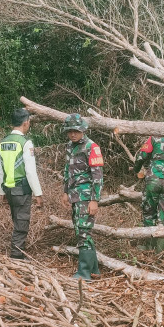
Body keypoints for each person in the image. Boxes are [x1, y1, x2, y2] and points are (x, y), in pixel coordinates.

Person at [60, 113, 104, 280]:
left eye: (76, 131)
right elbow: (67, 171)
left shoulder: (92, 147)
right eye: (70, 131)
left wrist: (94, 200)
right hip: (74, 196)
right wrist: (65, 192)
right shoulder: (70, 146)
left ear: (83, 130)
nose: (73, 134)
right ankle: (94, 270)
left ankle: (84, 272)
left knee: (84, 232)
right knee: (81, 231)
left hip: (86, 197)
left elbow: (98, 176)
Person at [0, 108, 43, 259]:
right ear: (26, 123)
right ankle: (16, 258)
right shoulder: (25, 143)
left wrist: (2, 192)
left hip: (9, 190)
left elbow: (1, 169)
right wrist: (38, 193)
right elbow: (30, 171)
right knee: (21, 225)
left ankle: (17, 254)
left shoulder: (4, 142)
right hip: (21, 191)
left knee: (17, 222)